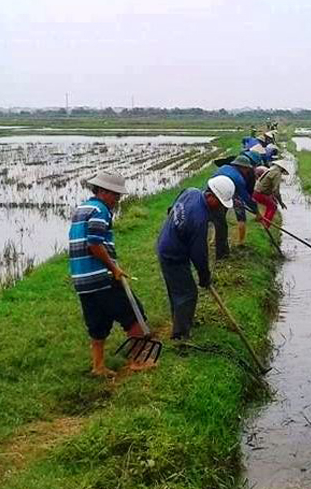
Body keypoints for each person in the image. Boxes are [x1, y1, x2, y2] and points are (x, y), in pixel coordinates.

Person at [68, 171, 151, 377]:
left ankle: (98, 366)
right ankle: (138, 361)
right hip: (101, 277)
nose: (118, 200)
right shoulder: (101, 210)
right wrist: (114, 269)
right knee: (133, 314)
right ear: (103, 191)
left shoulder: (82, 208)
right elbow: (94, 244)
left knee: (97, 322)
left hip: (82, 280)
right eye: (115, 195)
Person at [157, 176, 235, 339]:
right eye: (219, 203)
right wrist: (204, 276)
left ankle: (178, 321)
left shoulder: (191, 192)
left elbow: (172, 208)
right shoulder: (199, 219)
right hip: (172, 254)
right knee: (188, 293)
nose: (220, 207)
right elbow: (199, 253)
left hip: (167, 241)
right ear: (211, 195)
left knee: (177, 289)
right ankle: (180, 335)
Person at [209, 155, 262, 256]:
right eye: (246, 168)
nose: (247, 171)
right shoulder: (238, 179)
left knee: (218, 219)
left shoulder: (224, 167)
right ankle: (232, 248)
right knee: (234, 220)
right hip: (220, 195)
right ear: (241, 167)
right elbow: (246, 198)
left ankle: (213, 241)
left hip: (212, 194)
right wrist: (257, 212)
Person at [253, 159, 289, 227]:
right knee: (273, 207)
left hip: (256, 191)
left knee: (271, 204)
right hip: (259, 193)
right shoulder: (277, 173)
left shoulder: (271, 169)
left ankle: (264, 221)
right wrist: (281, 202)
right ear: (282, 169)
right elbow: (276, 191)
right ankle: (266, 225)